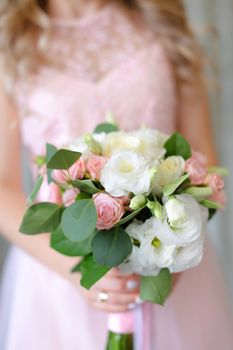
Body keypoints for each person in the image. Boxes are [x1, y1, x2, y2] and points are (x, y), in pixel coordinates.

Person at [0, 0, 233, 349]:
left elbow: (206, 165)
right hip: (59, 279)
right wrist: (76, 269)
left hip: (170, 273)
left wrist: (170, 256)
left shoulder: (164, 21)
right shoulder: (12, 43)